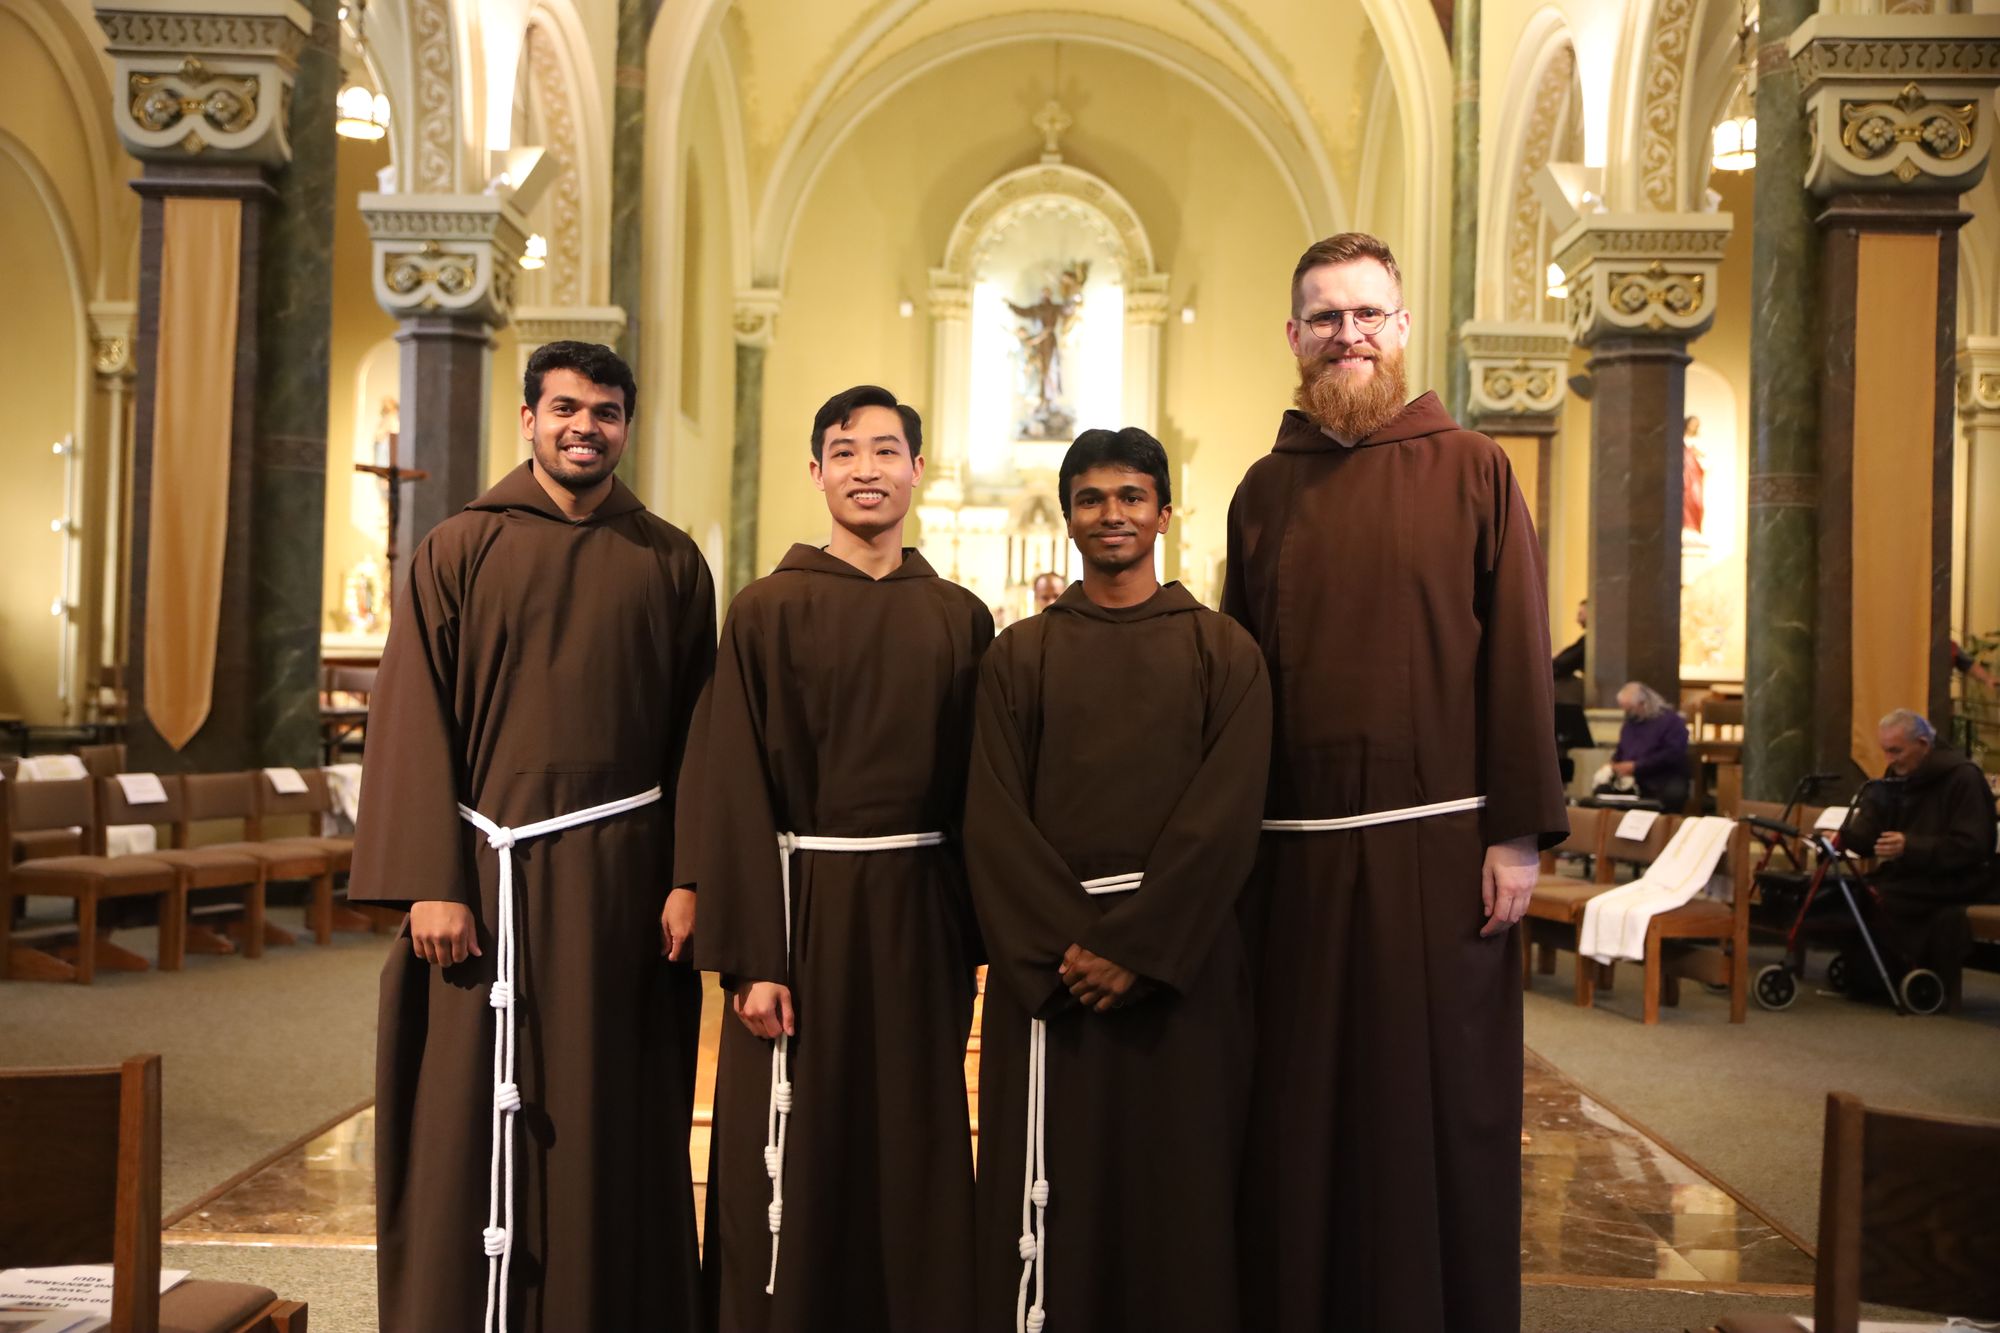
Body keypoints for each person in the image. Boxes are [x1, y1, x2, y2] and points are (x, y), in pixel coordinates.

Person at [1223, 232, 1566, 1333]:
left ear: (1402, 328)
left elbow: (1516, 650)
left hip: (1435, 849)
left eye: (1367, 314)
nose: (1348, 334)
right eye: (1325, 316)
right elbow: (1236, 676)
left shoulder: (1471, 466)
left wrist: (1514, 834)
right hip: (1294, 856)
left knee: (1434, 1099)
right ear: (1293, 339)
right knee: (1301, 1099)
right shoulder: (1262, 489)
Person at [350, 342, 714, 1333]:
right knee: (467, 1108)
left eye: (603, 411)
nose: (582, 426)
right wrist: (429, 879)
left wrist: (689, 878)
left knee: (611, 1105)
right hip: (481, 874)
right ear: (527, 418)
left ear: (626, 427)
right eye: (564, 408)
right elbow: (412, 715)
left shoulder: (669, 560)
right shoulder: (459, 547)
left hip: (620, 884)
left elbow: (700, 734)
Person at [678, 385, 990, 1331]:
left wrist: (980, 932)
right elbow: (731, 781)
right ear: (815, 472)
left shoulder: (961, 617)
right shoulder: (766, 610)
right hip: (800, 910)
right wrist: (753, 960)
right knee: (795, 1133)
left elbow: (988, 793)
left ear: (916, 469)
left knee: (914, 1130)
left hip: (918, 914)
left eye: (886, 451)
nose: (866, 470)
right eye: (845, 453)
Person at [964, 428, 1270, 1333]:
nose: (1113, 514)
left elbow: (1226, 818)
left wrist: (1135, 948)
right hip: (1055, 971)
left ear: (1165, 513)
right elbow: (992, 819)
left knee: (1182, 1185)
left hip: (1185, 967)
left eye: (1132, 497)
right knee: (1055, 1189)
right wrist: (1079, 949)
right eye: (1093, 499)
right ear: (1068, 518)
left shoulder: (1225, 652)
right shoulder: (1020, 655)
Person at [1844, 709, 1997, 982]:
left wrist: (1910, 846)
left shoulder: (1963, 777)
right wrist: (1848, 835)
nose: (1889, 760)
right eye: (1886, 751)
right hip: (1916, 873)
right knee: (1856, 890)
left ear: (1923, 745)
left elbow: (1973, 846)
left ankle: (1904, 978)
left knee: (1886, 897)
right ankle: (1866, 979)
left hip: (1958, 878)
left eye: (1896, 751)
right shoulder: (1900, 773)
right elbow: (1873, 828)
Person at [1611, 681, 1691, 811]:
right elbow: (1621, 750)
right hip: (1634, 778)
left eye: (1630, 709)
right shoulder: (1631, 722)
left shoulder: (1672, 722)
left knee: (1672, 795)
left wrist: (1636, 766)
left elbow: (1672, 754)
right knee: (1602, 790)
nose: (1627, 713)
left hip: (1663, 776)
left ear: (1643, 704)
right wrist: (1614, 763)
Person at [1552, 597, 1587, 682]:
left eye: (1580, 614)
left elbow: (1563, 664)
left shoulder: (1588, 641)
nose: (1577, 620)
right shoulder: (1586, 640)